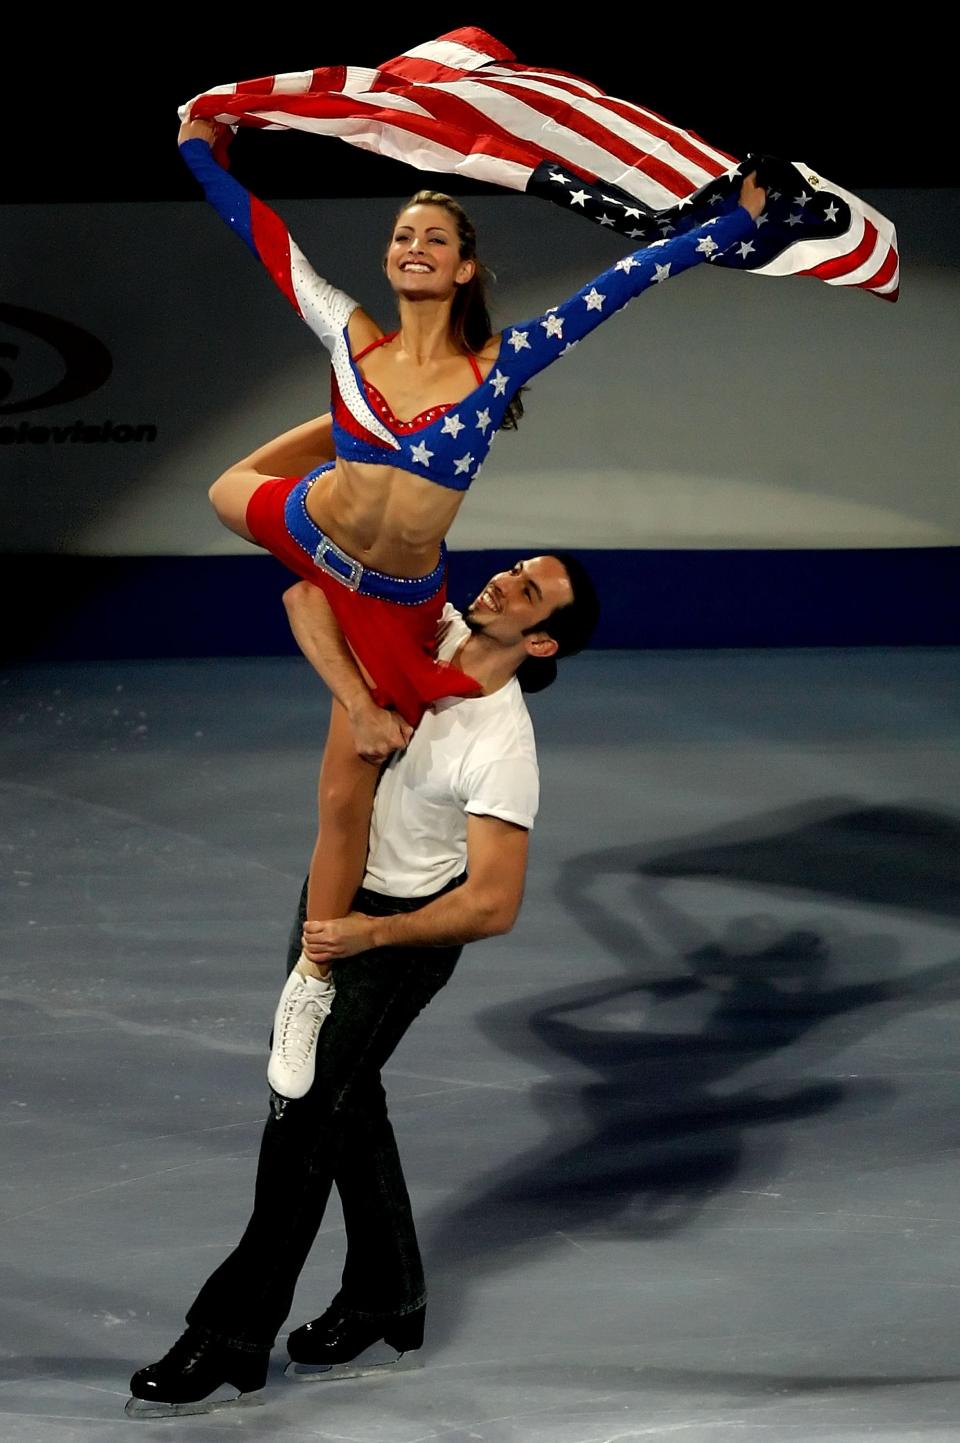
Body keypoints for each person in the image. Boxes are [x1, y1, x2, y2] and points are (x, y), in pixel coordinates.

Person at [176, 115, 766, 1098]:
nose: (414, 246)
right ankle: (314, 984)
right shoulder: (348, 336)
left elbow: (616, 289)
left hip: (395, 597)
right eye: (404, 234)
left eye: (435, 239)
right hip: (309, 529)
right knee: (221, 493)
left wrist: (726, 228)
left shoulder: (502, 366)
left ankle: (310, 981)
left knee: (342, 795)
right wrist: (201, 149)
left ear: (462, 272)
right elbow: (264, 237)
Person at [125, 549, 601, 1418]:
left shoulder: (502, 744)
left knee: (303, 1115)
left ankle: (233, 1334)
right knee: (343, 1099)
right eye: (517, 567)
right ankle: (389, 1298)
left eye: (528, 592)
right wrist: (353, 695)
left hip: (398, 935)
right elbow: (307, 594)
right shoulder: (430, 621)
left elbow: (493, 904)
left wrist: (368, 932)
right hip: (335, 899)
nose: (503, 579)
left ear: (540, 644)